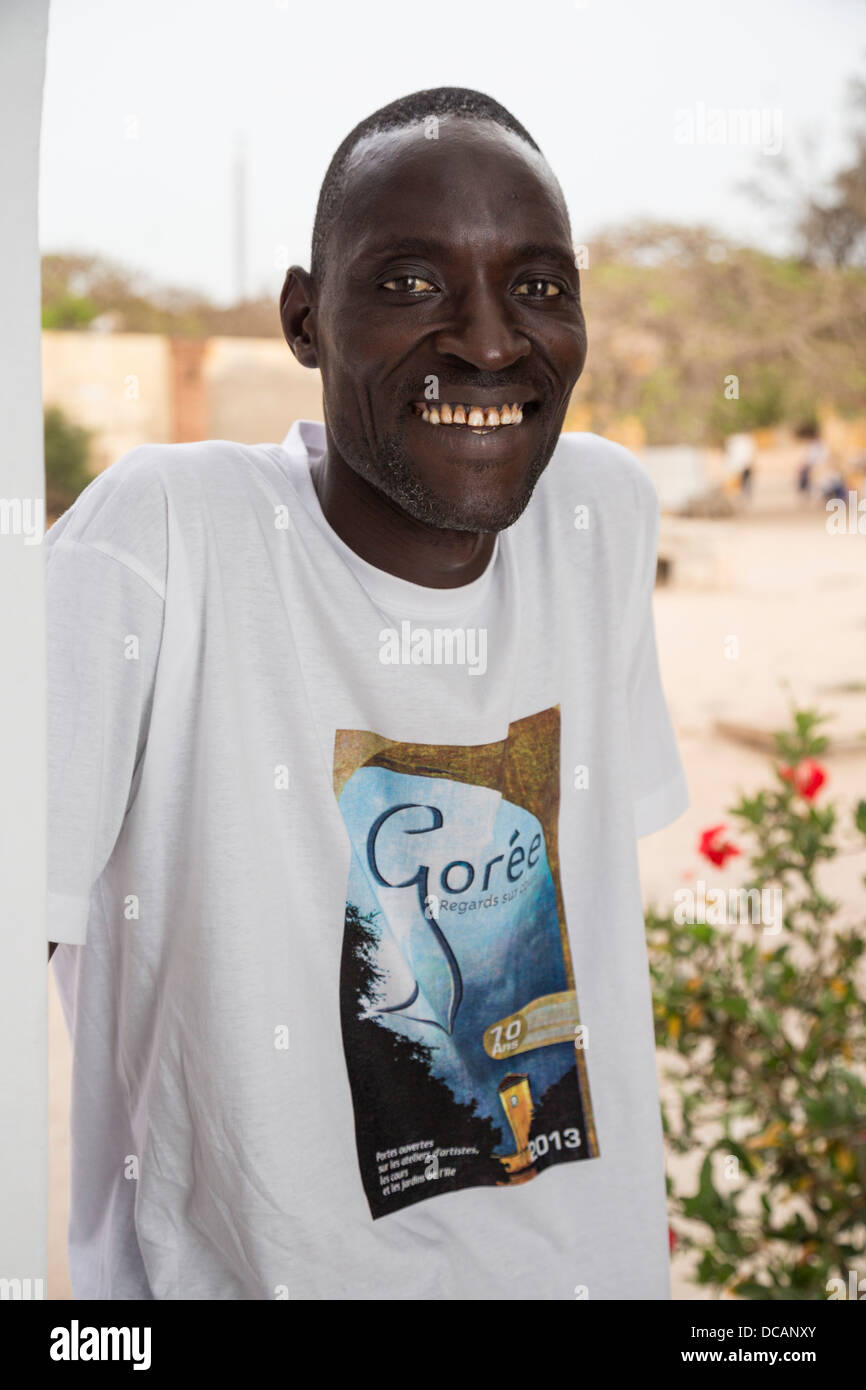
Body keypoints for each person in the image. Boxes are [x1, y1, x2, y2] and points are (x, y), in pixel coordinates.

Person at [46, 87, 688, 1301]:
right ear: (303, 318)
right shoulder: (166, 537)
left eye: (539, 286)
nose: (491, 342)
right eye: (410, 283)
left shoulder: (600, 517)